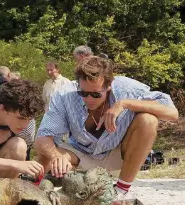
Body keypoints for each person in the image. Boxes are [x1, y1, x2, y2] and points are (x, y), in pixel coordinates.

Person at [34, 56, 178, 196]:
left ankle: (121, 190)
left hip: (118, 154)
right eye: (83, 93)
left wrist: (125, 103)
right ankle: (33, 195)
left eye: (96, 94)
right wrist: (56, 157)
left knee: (148, 120)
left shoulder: (126, 88)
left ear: (108, 86)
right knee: (45, 155)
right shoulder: (64, 94)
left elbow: (172, 113)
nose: (88, 99)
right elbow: (42, 138)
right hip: (81, 155)